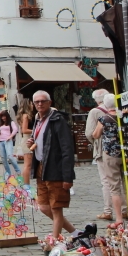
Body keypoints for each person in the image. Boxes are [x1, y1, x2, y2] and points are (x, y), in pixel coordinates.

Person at [24, 91, 76, 241]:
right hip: (41, 167)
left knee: (56, 207)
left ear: (50, 102)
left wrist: (67, 176)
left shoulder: (58, 120)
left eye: (43, 101)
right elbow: (41, 140)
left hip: (55, 168)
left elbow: (67, 149)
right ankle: (74, 232)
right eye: (37, 102)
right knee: (44, 207)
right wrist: (31, 143)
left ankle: (54, 240)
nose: (40, 104)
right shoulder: (38, 120)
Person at [93, 91, 127, 223]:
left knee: (114, 186)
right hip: (125, 153)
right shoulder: (124, 116)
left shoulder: (105, 118)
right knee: (126, 184)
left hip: (111, 154)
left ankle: (118, 218)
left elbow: (96, 134)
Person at [0, 110, 17, 181]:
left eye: (4, 116)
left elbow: (15, 130)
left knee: (10, 156)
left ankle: (18, 171)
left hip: (8, 140)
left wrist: (10, 137)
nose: (3, 118)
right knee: (3, 158)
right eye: (2, 117)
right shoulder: (0, 124)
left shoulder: (11, 122)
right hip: (1, 141)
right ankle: (8, 174)